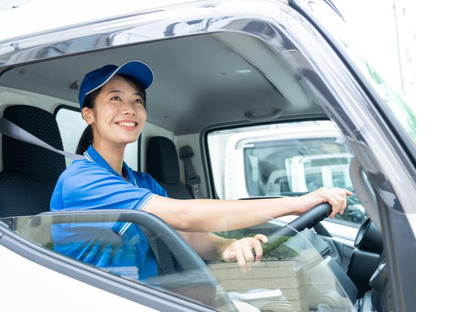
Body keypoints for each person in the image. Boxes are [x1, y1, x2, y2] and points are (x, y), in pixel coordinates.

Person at [50, 60, 352, 281]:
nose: (129, 109)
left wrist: (227, 246)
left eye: (137, 100)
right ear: (88, 114)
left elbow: (186, 233)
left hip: (149, 296)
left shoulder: (141, 181)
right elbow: (185, 215)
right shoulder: (81, 180)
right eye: (115, 98)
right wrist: (296, 204)